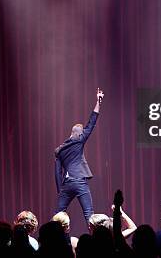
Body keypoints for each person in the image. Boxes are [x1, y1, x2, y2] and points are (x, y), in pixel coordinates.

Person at [55, 88, 104, 223]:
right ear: (80, 133)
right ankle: (96, 239)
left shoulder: (60, 150)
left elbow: (58, 172)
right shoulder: (80, 140)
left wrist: (61, 190)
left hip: (67, 184)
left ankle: (52, 239)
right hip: (79, 182)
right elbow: (91, 123)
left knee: (59, 215)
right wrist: (98, 102)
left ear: (71, 133)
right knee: (89, 214)